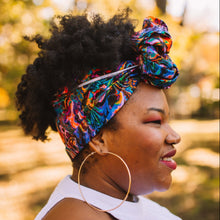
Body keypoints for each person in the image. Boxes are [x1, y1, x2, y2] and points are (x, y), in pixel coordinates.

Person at [16, 8, 182, 220]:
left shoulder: (118, 204)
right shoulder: (76, 216)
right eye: (156, 121)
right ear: (98, 138)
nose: (175, 136)